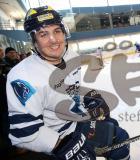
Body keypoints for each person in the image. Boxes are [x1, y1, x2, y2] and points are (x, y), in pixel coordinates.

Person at [6, 6, 130, 160]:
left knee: (118, 138)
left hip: (76, 123)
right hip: (55, 136)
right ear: (34, 41)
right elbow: (24, 133)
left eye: (57, 31)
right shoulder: (22, 76)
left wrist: (88, 97)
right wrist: (62, 145)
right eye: (43, 34)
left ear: (64, 32)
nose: (53, 41)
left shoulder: (71, 56)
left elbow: (71, 90)